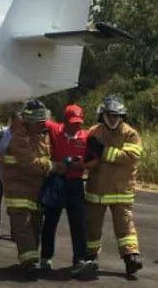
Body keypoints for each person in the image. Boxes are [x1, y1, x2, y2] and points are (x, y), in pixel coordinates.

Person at [2, 99, 74, 279]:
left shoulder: (44, 136)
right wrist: (58, 167)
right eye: (37, 120)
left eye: (43, 119)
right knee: (23, 227)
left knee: (35, 227)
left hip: (36, 192)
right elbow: (31, 164)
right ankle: (29, 263)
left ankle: (30, 257)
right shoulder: (20, 138)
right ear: (27, 120)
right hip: (18, 190)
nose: (42, 123)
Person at [83, 95, 144, 275]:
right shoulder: (94, 132)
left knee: (125, 225)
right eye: (109, 115)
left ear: (122, 116)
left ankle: (130, 257)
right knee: (93, 225)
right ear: (102, 116)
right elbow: (85, 154)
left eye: (115, 115)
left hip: (121, 190)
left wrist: (102, 151)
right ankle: (91, 256)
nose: (112, 119)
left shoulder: (130, 134)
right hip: (97, 189)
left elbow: (129, 157)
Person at [39, 104, 97, 277]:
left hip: (75, 183)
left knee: (78, 222)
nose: (76, 126)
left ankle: (79, 259)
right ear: (64, 121)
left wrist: (82, 166)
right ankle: (45, 258)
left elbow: (96, 160)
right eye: (72, 122)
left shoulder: (87, 137)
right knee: (50, 221)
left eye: (79, 122)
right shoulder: (54, 129)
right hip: (56, 181)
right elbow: (40, 119)